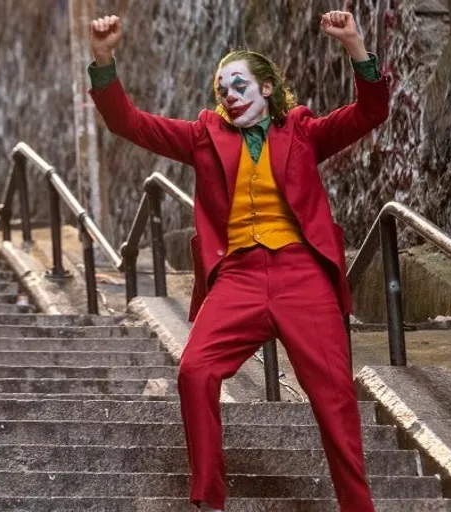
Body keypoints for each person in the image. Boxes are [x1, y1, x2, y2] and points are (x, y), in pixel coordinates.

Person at [88, 11, 389, 512]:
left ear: (267, 87)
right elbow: (129, 123)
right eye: (221, 88)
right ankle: (209, 500)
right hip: (238, 277)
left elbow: (369, 112)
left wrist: (356, 47)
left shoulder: (303, 131)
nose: (229, 94)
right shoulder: (205, 136)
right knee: (195, 370)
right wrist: (103, 59)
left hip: (302, 274)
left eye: (239, 84)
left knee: (335, 398)